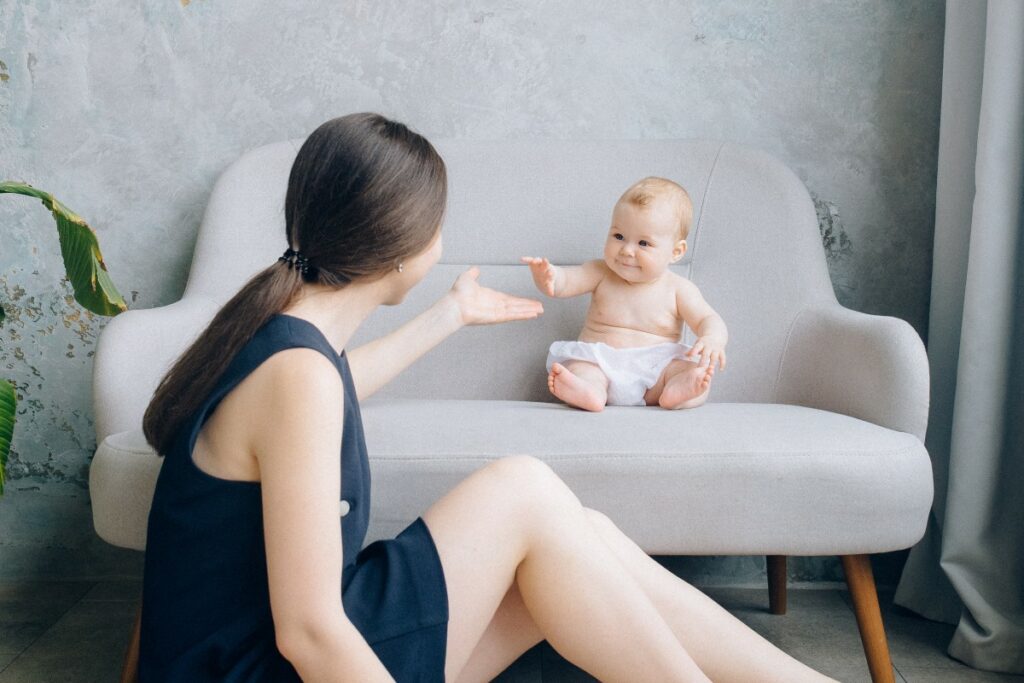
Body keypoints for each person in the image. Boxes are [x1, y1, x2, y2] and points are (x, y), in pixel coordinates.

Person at [139, 112, 836, 682]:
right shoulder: (299, 376)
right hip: (257, 669)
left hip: (263, 655)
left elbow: (335, 387)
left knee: (578, 538)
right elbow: (311, 633)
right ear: (401, 246)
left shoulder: (285, 342)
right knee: (525, 489)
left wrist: (450, 314)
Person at [522, 176, 727, 412]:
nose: (627, 250)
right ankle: (589, 391)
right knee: (583, 368)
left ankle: (678, 390)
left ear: (676, 251)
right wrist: (548, 276)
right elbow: (564, 283)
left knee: (689, 371)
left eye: (643, 243)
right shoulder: (600, 272)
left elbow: (707, 319)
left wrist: (713, 338)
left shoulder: (679, 289)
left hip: (655, 370)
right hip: (601, 363)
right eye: (618, 237)